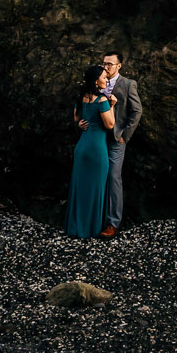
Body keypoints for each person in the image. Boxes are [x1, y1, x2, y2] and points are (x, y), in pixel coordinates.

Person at [84, 50, 142, 238]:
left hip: (116, 139)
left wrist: (125, 135)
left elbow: (136, 111)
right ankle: (95, 218)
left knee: (113, 177)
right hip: (96, 136)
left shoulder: (128, 84)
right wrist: (82, 122)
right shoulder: (97, 81)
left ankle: (113, 222)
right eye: (104, 64)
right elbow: (87, 105)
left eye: (110, 64)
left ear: (119, 66)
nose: (106, 67)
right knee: (96, 176)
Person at [65, 64, 114, 239]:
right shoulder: (102, 100)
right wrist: (112, 105)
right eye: (104, 78)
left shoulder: (81, 97)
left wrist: (80, 124)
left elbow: (76, 119)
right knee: (96, 189)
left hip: (82, 146)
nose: (106, 80)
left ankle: (76, 227)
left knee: (80, 188)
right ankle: (91, 229)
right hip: (96, 149)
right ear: (96, 81)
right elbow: (110, 125)